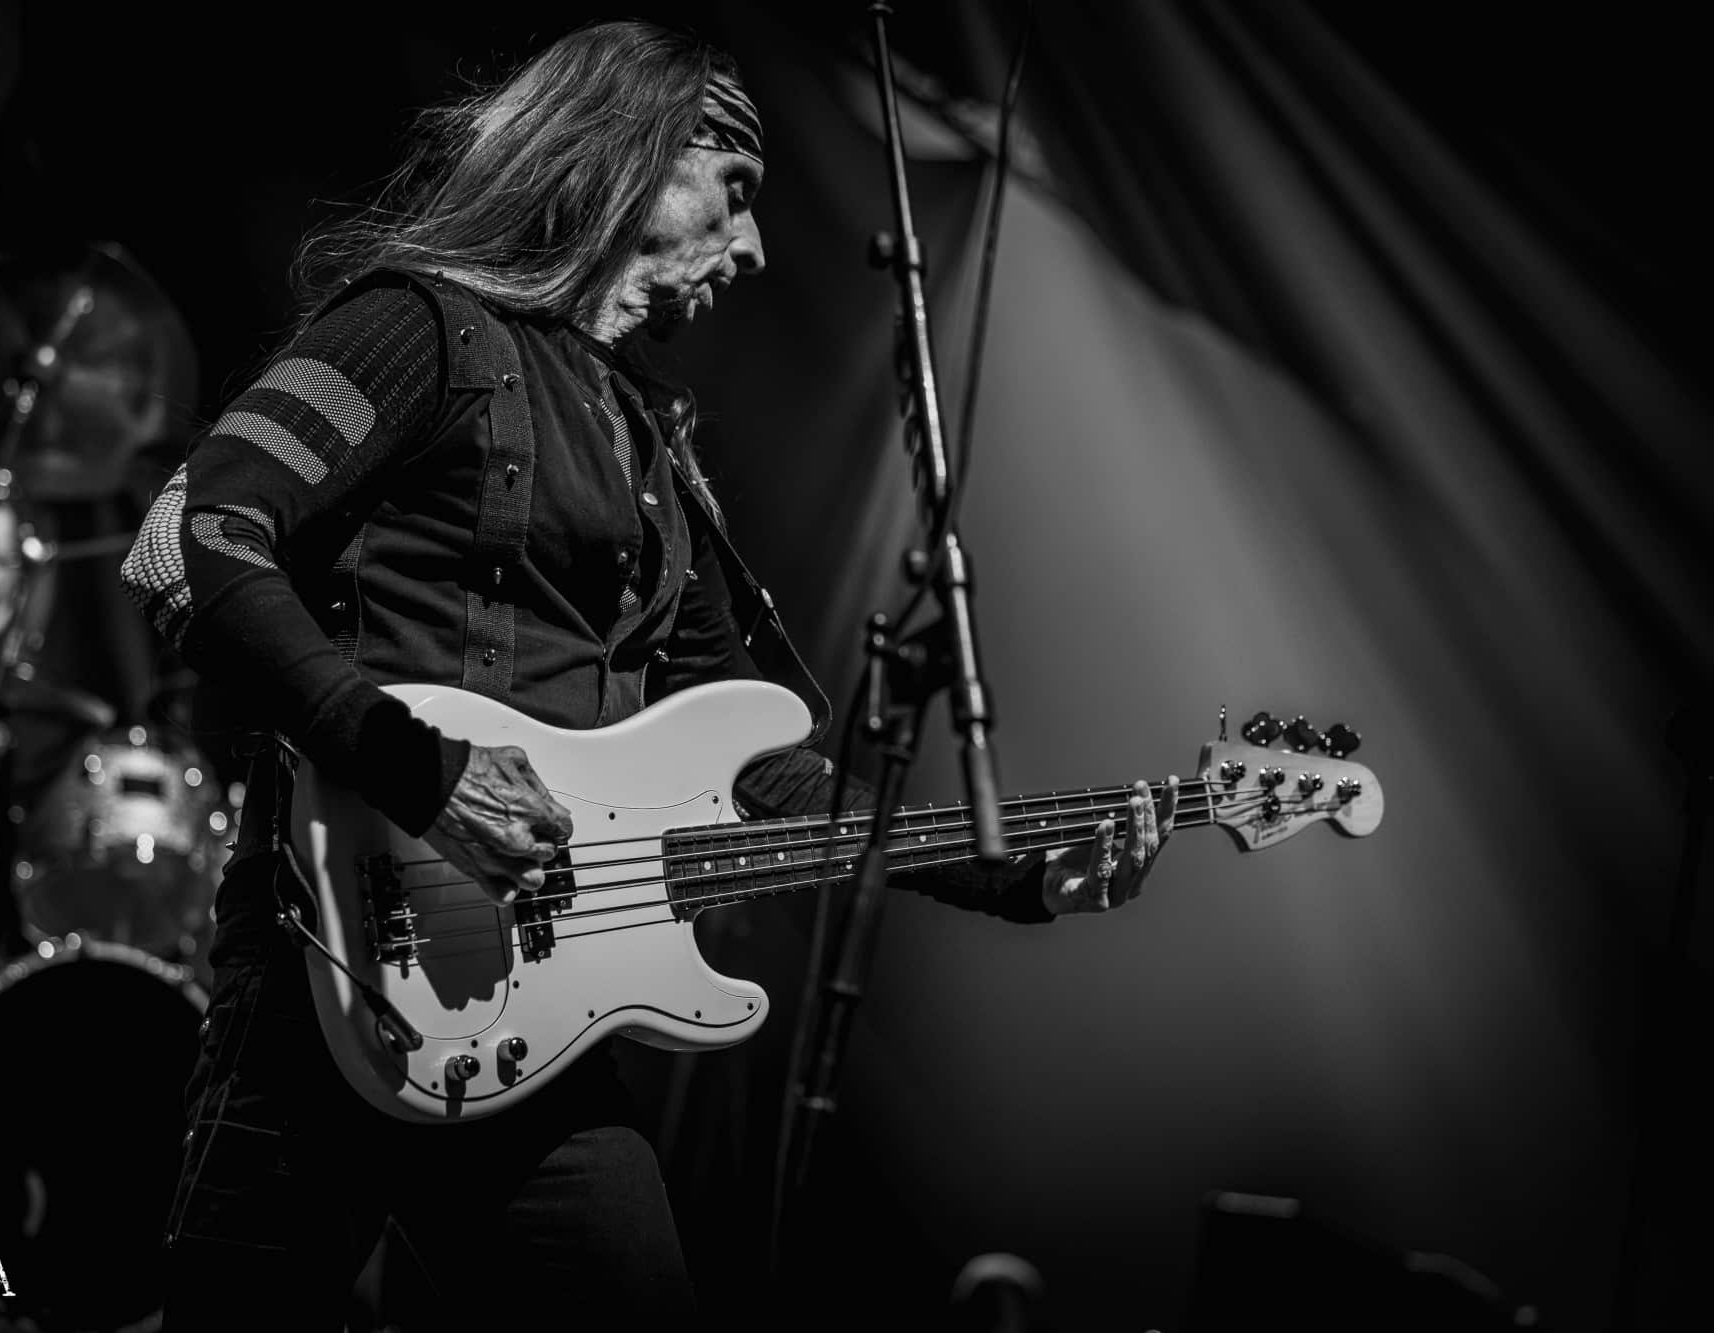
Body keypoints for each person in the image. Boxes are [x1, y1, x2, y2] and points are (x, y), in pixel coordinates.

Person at [120, 20, 1179, 1331]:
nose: (757, 244)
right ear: (631, 155)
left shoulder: (654, 453)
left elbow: (767, 778)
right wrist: (421, 770)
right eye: (736, 187)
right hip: (327, 958)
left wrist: (1010, 867)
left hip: (539, 1026)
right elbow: (197, 538)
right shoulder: (413, 326)